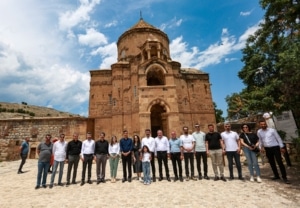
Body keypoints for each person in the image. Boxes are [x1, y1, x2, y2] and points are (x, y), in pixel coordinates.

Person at [257, 120, 290, 184]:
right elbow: (260, 140)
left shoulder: (272, 130)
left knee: (279, 162)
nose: (263, 125)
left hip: (275, 148)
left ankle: (284, 177)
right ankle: (276, 175)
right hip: (267, 149)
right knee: (272, 163)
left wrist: (282, 147)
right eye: (262, 124)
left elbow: (278, 138)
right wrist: (260, 147)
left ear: (266, 124)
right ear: (260, 125)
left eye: (264, 124)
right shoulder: (259, 132)